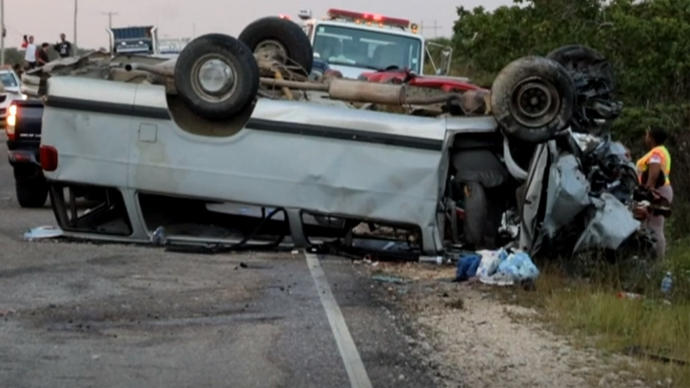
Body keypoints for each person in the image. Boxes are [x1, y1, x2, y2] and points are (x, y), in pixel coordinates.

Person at [636, 127, 673, 258]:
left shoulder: (657, 152)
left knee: (655, 225)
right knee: (650, 224)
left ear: (651, 137)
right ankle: (650, 257)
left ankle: (658, 259)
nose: (645, 136)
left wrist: (647, 190)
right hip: (660, 189)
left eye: (647, 134)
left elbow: (654, 173)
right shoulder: (660, 151)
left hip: (656, 190)